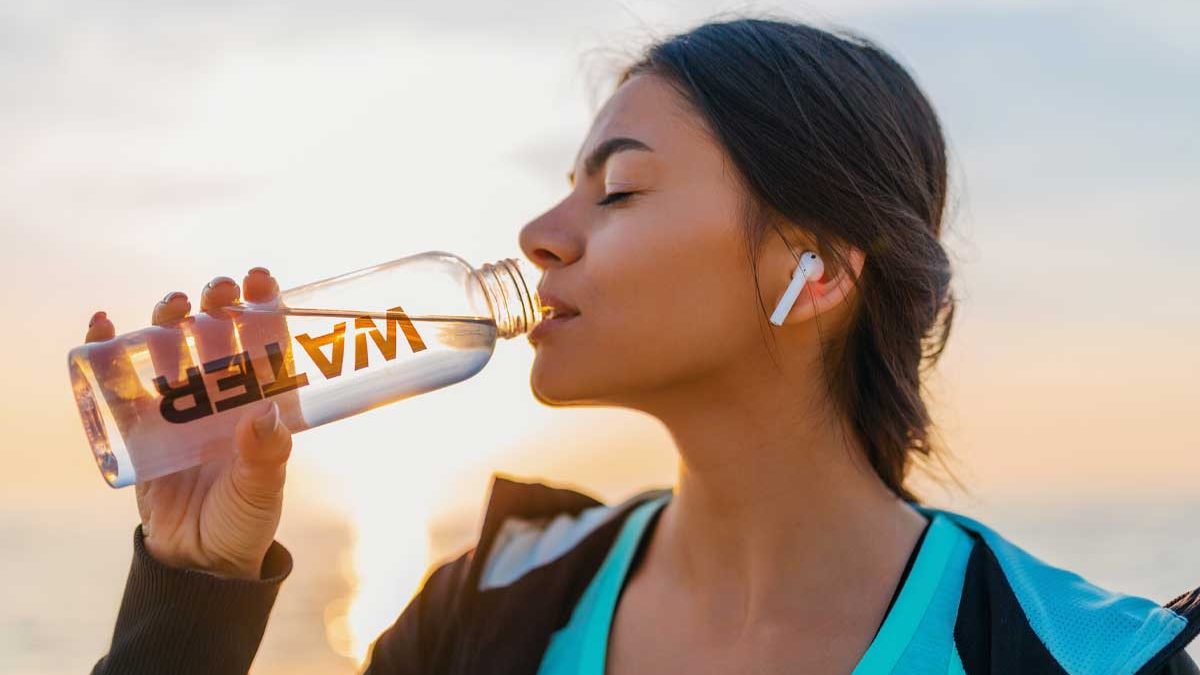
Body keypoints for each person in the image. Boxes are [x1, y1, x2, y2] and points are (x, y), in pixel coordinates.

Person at [87, 16, 1199, 675]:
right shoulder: (485, 612)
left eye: (617, 189)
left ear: (813, 268)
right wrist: (194, 589)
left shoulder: (1075, 658)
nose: (538, 235)